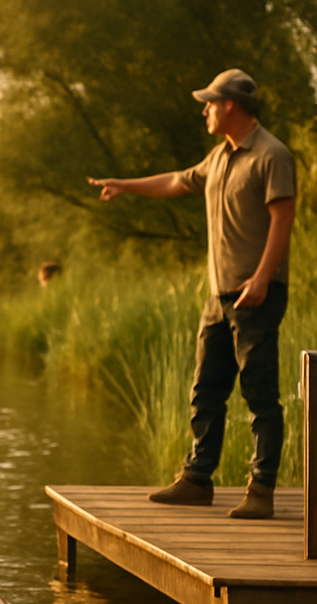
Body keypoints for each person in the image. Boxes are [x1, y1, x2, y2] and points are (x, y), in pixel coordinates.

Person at [89, 69, 295, 519]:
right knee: (205, 390)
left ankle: (261, 490)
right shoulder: (218, 158)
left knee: (260, 395)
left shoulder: (271, 154)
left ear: (230, 105)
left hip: (256, 294)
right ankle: (198, 479)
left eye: (210, 103)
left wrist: (262, 279)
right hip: (218, 297)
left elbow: (283, 219)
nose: (205, 111)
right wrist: (125, 185)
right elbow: (176, 181)